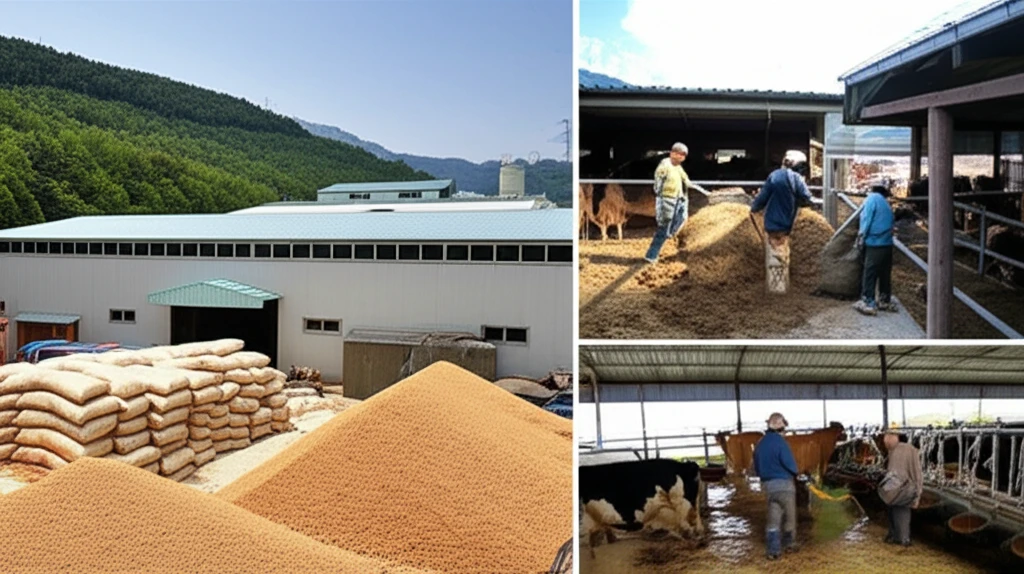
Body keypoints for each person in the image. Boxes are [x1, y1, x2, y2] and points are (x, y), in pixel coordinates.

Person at [749, 151, 815, 292]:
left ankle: (773, 288)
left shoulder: (774, 176)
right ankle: (782, 287)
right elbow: (807, 198)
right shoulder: (796, 179)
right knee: (782, 254)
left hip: (771, 224)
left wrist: (754, 208)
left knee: (772, 254)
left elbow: (762, 198)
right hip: (787, 226)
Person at [752, 412, 802, 560]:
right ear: (781, 426)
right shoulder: (781, 442)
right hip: (784, 485)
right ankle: (789, 544)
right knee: (790, 516)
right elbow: (790, 463)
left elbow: (756, 467)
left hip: (768, 487)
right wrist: (796, 472)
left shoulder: (760, 443)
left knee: (773, 517)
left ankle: (773, 551)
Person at [644, 142, 698, 263]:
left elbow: (685, 179)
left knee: (682, 218)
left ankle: (671, 233)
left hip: (680, 199)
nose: (682, 157)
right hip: (668, 200)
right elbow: (658, 184)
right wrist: (662, 197)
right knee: (663, 228)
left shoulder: (678, 167)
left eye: (684, 155)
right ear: (672, 153)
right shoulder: (665, 166)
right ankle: (651, 255)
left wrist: (693, 186)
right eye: (680, 154)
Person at [853, 185, 896, 316]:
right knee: (884, 273)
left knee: (870, 272)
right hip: (887, 243)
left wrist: (861, 236)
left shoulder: (872, 198)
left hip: (875, 243)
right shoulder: (886, 204)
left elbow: (866, 219)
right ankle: (884, 300)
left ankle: (868, 302)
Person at [879, 431, 923, 547]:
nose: (885, 440)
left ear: (895, 437)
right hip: (893, 489)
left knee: (902, 514)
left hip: (904, 489)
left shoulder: (910, 450)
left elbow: (917, 474)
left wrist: (917, 495)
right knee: (893, 514)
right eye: (885, 437)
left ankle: (903, 541)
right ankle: (894, 537)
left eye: (887, 437)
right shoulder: (892, 450)